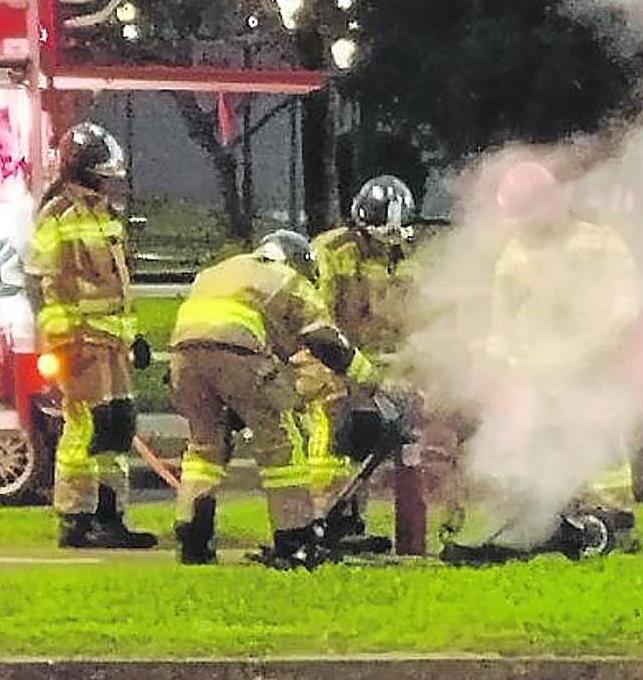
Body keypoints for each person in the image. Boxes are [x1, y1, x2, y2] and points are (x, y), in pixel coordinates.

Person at [441, 159, 640, 564]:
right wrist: (497, 367)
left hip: (594, 369)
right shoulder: (513, 258)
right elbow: (503, 325)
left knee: (598, 448)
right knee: (537, 449)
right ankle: (550, 522)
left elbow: (625, 308)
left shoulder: (599, 244)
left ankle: (613, 522)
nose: (521, 226)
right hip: (540, 375)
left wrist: (594, 349)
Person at [169, 229, 377, 568]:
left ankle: (193, 536)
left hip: (184, 354)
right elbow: (324, 339)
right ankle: (295, 539)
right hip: (238, 350)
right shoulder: (286, 278)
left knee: (205, 446)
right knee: (282, 440)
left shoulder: (221, 270)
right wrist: (368, 377)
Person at [24, 122, 156, 549]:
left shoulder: (104, 215)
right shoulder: (57, 215)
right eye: (101, 172)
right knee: (87, 428)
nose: (108, 180)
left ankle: (111, 515)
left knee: (118, 428)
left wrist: (132, 336)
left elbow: (117, 287)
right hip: (80, 342)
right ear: (82, 170)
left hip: (110, 341)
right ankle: (76, 519)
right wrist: (69, 339)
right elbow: (47, 284)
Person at [301, 175, 420, 549]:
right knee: (333, 427)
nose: (388, 247)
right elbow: (317, 316)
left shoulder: (404, 258)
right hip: (328, 360)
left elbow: (412, 318)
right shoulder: (331, 251)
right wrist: (341, 364)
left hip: (370, 366)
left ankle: (350, 520)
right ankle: (319, 515)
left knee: (367, 438)